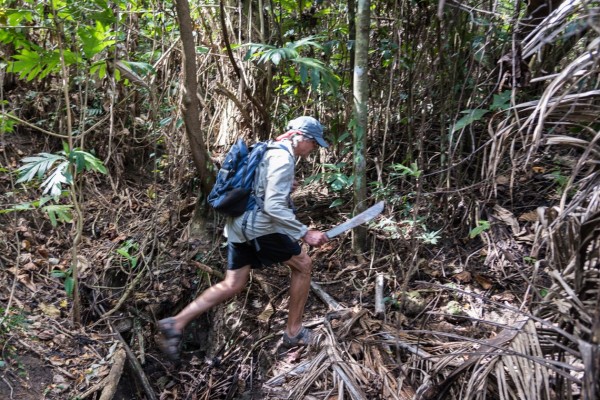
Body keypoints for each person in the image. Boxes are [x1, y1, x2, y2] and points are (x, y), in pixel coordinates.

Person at [158, 116, 330, 362]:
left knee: (233, 283)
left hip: (238, 226)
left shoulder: (269, 148)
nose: (313, 148)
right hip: (260, 227)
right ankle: (293, 332)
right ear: (299, 137)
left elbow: (260, 187)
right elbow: (272, 207)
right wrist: (304, 232)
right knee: (303, 266)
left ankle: (175, 323)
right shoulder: (283, 157)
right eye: (313, 142)